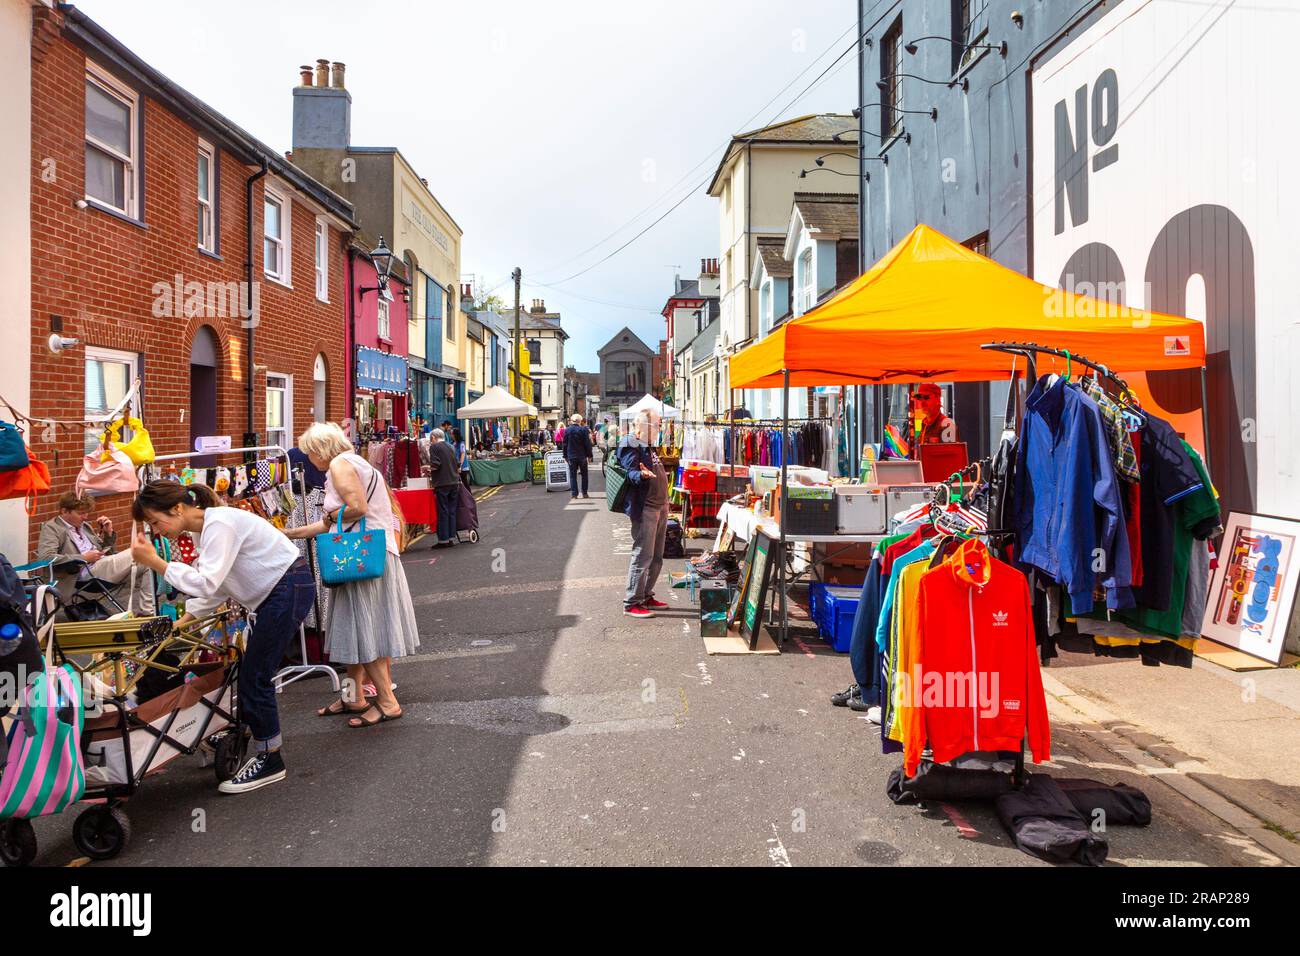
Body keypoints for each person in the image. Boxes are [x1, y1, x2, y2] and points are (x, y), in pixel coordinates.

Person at [130, 481, 314, 794]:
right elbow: (216, 585)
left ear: (177, 508)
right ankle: (248, 735)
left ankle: (270, 759)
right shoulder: (209, 528)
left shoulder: (220, 525)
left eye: (155, 522)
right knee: (251, 673)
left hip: (285, 591)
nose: (157, 531)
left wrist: (158, 563)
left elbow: (206, 582)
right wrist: (187, 620)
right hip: (282, 591)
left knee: (256, 677)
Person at [287, 422, 420, 729]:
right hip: (369, 553)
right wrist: (288, 532)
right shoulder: (356, 461)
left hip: (359, 557)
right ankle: (352, 696)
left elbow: (355, 509)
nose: (310, 460)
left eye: (310, 453)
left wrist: (331, 515)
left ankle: (387, 702)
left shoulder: (338, 465)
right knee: (353, 628)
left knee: (364, 629)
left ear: (321, 449)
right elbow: (330, 523)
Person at [37, 491, 153, 615]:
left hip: (99, 567)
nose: (85, 517)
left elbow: (106, 551)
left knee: (149, 562)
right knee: (141, 552)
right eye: (81, 513)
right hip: (82, 574)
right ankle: (147, 612)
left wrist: (108, 534)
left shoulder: (84, 526)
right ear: (64, 511)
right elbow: (46, 557)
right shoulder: (52, 528)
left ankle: (147, 612)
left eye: (86, 513)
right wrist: (83, 558)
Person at [618, 412, 670, 618]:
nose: (660, 429)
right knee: (643, 555)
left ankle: (646, 595)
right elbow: (628, 472)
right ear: (643, 425)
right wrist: (641, 475)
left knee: (657, 557)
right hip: (646, 507)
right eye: (657, 425)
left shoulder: (647, 444)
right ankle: (632, 602)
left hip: (660, 506)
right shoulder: (630, 443)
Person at [428, 427, 460, 546]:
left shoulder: (434, 447)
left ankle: (443, 540)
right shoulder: (451, 446)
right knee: (452, 511)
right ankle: (451, 538)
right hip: (454, 482)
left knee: (443, 511)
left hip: (442, 483)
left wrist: (427, 469)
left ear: (433, 437)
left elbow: (436, 465)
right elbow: (457, 464)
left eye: (431, 439)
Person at [562, 413, 594, 500]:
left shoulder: (567, 430)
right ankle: (584, 493)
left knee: (573, 475)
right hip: (582, 456)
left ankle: (574, 494)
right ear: (580, 421)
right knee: (584, 475)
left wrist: (565, 455)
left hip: (571, 456)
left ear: (572, 421)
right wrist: (590, 455)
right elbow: (587, 444)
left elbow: (564, 444)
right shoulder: (583, 430)